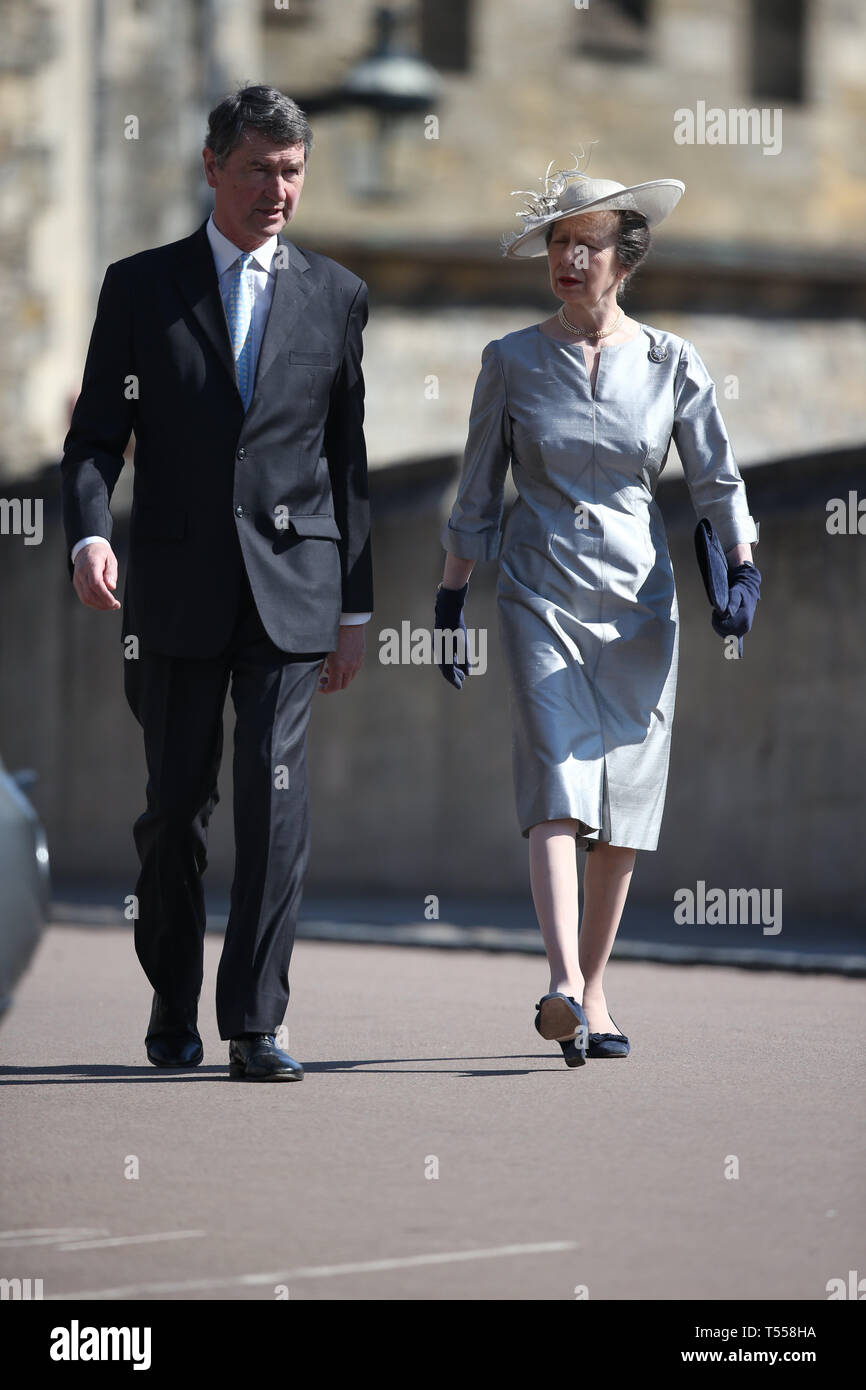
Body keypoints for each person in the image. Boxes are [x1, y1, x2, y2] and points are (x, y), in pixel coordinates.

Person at [60, 85, 373, 1081]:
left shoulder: (336, 295)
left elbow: (348, 460)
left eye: (290, 172)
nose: (276, 190)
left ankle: (254, 1023)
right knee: (171, 812)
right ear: (211, 168)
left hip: (293, 587)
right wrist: (86, 536)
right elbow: (93, 441)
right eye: (257, 170)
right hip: (174, 591)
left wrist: (354, 606)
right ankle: (169, 997)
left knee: (274, 803)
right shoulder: (140, 288)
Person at [435, 160, 761, 1067]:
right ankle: (558, 980)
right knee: (557, 787)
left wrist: (742, 571)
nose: (569, 260)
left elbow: (715, 476)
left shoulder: (671, 362)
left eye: (588, 245)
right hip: (538, 594)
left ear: (626, 259)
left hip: (641, 607)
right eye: (558, 244)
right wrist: (453, 596)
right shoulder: (509, 360)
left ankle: (593, 989)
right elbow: (474, 492)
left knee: (625, 806)